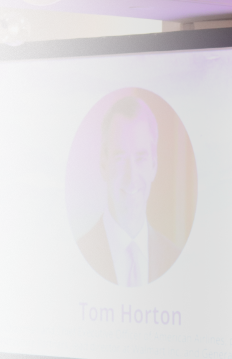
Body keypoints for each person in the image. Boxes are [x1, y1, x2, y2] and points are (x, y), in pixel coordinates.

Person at [77, 95, 180, 286]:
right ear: (103, 164)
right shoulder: (78, 255)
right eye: (120, 158)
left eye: (140, 158)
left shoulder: (175, 258)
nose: (131, 176)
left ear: (154, 165)